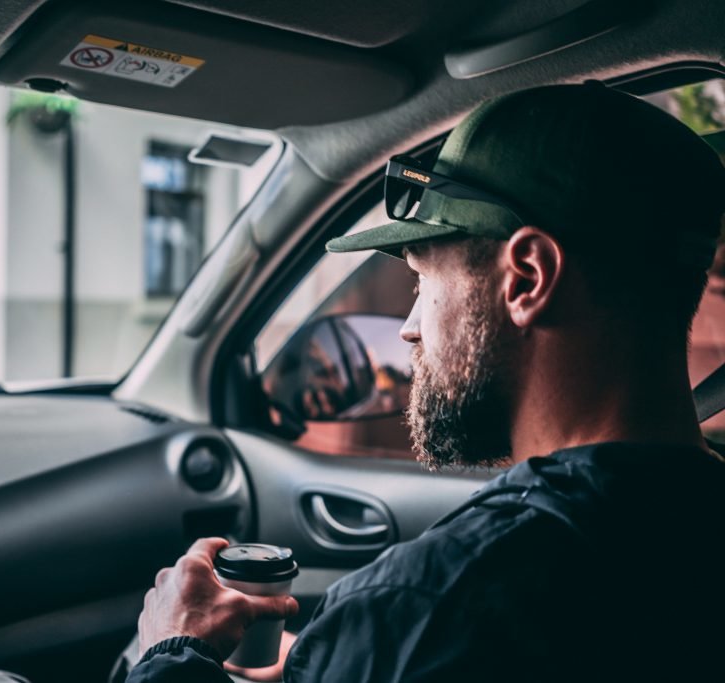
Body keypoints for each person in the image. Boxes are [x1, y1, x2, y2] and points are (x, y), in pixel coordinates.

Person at [128, 82, 725, 682]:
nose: (410, 330)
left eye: (422, 282)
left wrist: (171, 653)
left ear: (526, 279)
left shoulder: (429, 606)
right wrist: (328, 662)